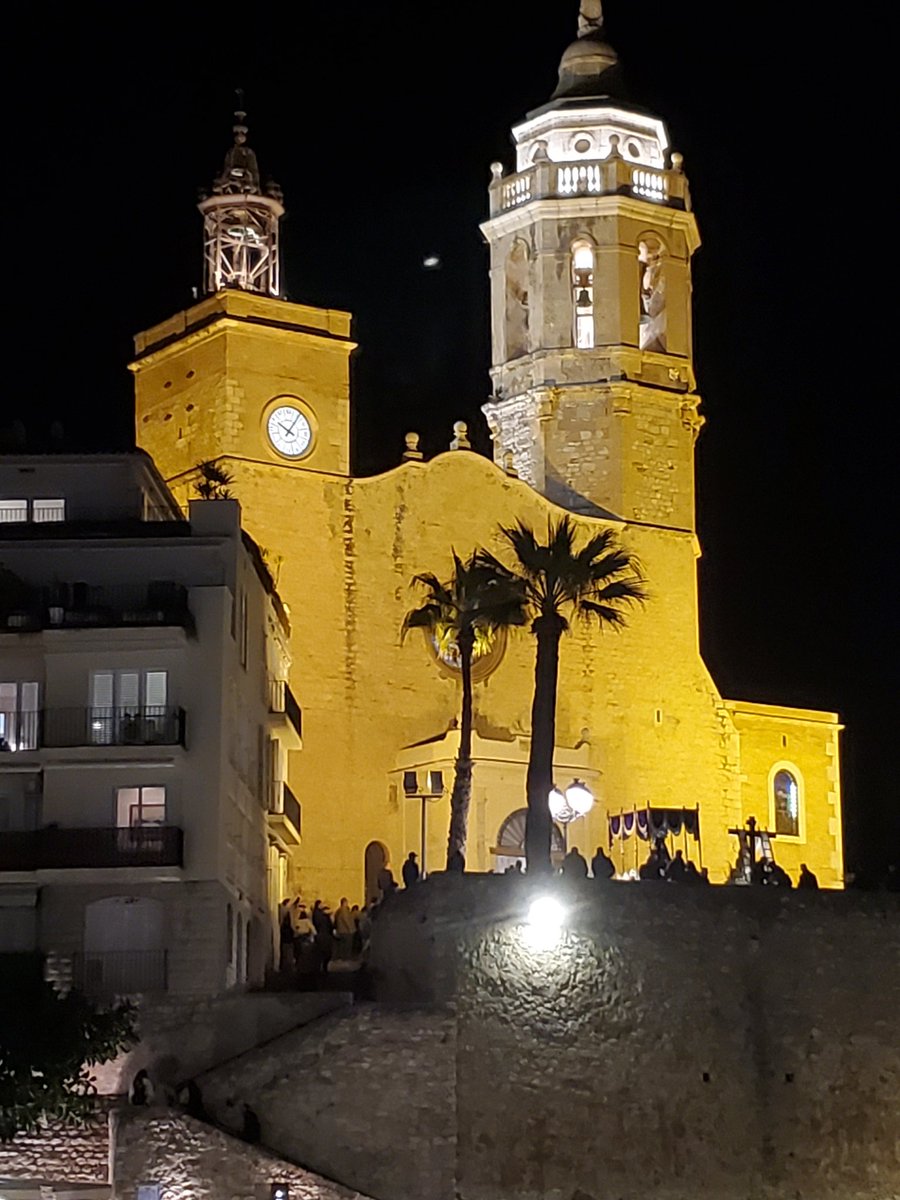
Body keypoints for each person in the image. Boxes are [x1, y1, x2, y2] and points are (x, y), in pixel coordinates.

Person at [312, 900, 334, 974]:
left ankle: (323, 967)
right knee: (323, 952)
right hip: (322, 935)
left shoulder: (322, 915)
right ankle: (321, 968)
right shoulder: (318, 914)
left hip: (325, 934)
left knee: (325, 953)